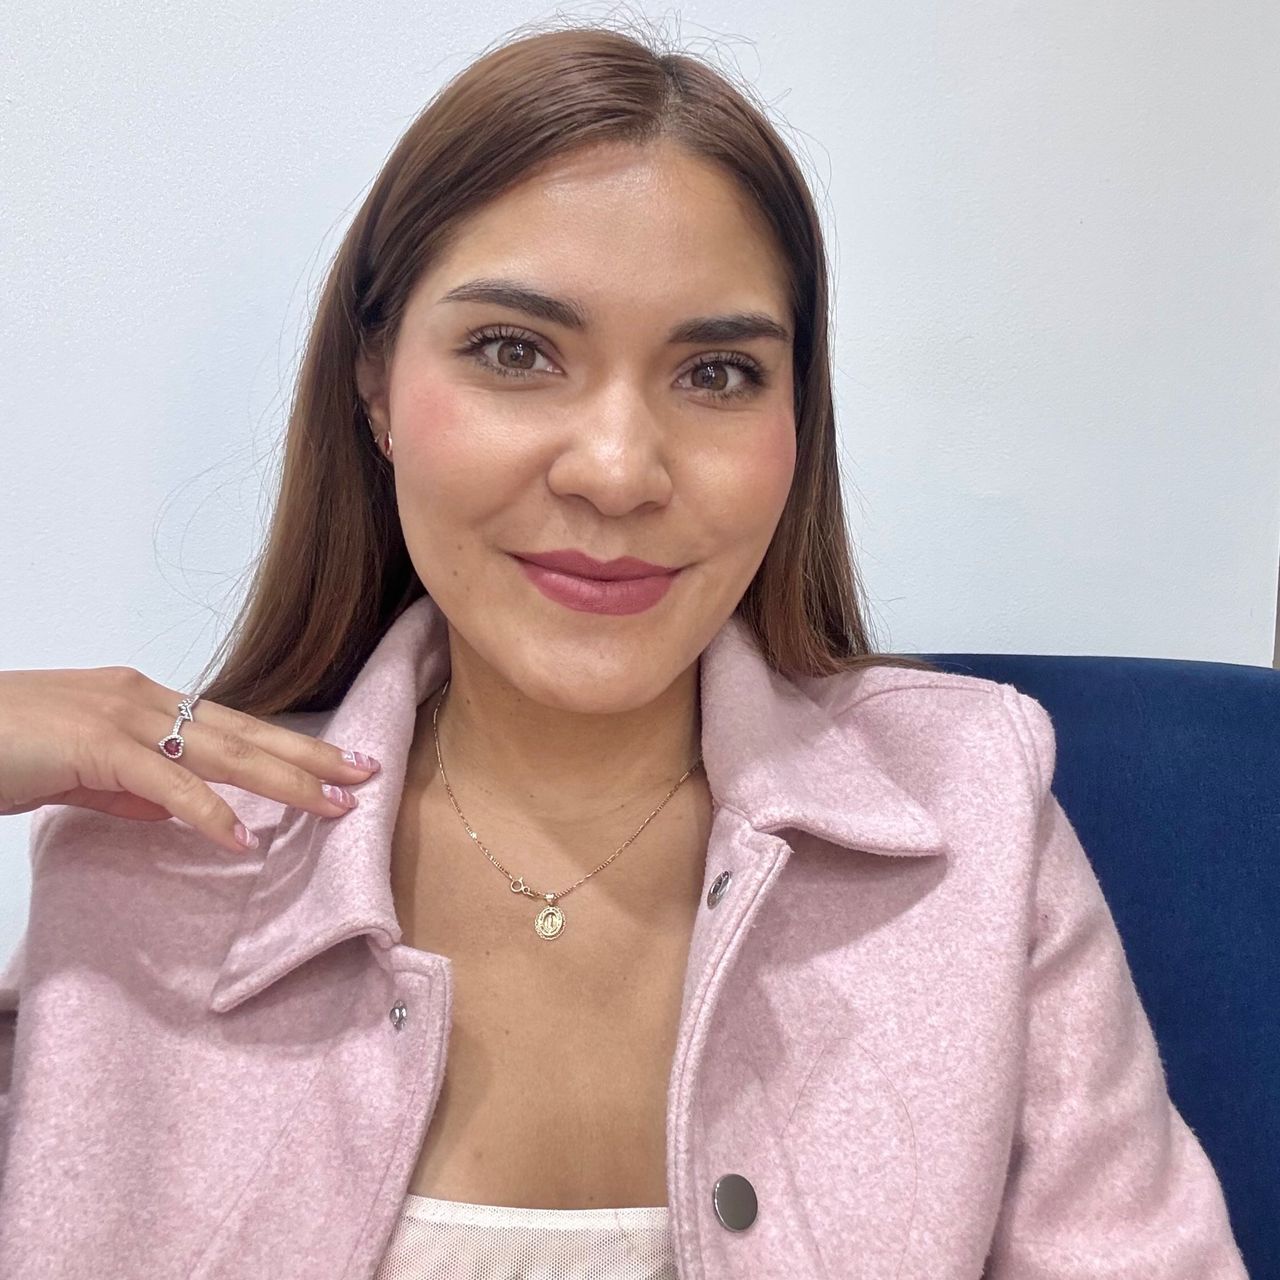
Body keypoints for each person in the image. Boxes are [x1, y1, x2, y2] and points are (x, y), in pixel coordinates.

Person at [0, 21, 1247, 1280]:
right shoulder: (153, 851)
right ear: (374, 385)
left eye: (716, 372)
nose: (615, 469)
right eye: (514, 351)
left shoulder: (972, 811)